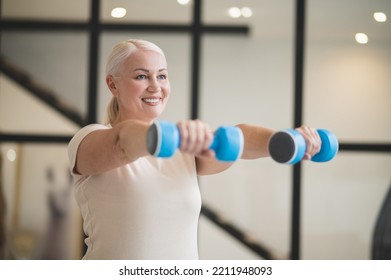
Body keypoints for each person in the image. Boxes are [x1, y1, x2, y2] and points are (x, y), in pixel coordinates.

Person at [67, 39, 321, 260]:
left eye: (162, 75)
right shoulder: (89, 138)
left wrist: (288, 139)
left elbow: (237, 139)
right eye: (141, 76)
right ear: (113, 85)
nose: (155, 86)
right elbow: (122, 142)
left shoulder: (182, 149)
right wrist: (170, 135)